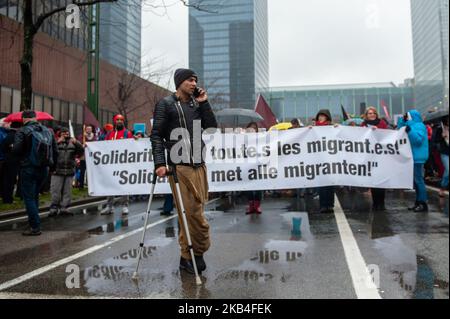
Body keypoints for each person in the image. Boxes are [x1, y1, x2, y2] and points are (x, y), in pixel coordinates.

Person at [151, 68, 217, 275]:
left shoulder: (196, 104)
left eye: (195, 80)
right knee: (191, 214)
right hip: (179, 167)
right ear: (179, 82)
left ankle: (186, 258)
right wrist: (160, 163)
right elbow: (156, 136)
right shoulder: (166, 104)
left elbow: (212, 128)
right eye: (189, 80)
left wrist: (204, 102)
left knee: (193, 212)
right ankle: (194, 254)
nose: (193, 83)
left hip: (199, 165)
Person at [13, 111, 58, 236]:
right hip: (44, 168)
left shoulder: (22, 131)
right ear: (35, 118)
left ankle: (35, 226)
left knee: (29, 197)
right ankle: (34, 221)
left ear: (23, 119)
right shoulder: (48, 131)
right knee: (35, 196)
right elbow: (55, 150)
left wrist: (13, 149)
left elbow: (16, 150)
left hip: (28, 167)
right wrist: (53, 168)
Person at [100, 114, 133, 216]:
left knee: (124, 185)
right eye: (117, 120)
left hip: (123, 164)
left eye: (121, 120)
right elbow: (104, 146)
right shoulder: (110, 134)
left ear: (123, 121)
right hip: (112, 164)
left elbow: (133, 147)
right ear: (114, 121)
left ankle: (125, 206)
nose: (119, 121)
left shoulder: (128, 133)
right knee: (110, 185)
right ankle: (110, 206)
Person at [397, 110, 429, 212]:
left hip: (417, 157)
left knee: (418, 180)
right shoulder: (411, 124)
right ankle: (418, 202)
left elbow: (418, 141)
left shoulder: (419, 125)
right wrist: (403, 120)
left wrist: (410, 130)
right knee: (416, 181)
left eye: (407, 116)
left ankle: (423, 203)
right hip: (412, 156)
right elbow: (399, 129)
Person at [49, 127, 84, 217]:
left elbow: (81, 152)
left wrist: (77, 143)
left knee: (67, 191)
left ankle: (64, 208)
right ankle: (54, 208)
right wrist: (57, 142)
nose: (66, 135)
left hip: (69, 170)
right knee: (55, 191)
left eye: (67, 133)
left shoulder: (73, 143)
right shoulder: (55, 141)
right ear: (60, 134)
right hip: (57, 170)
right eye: (64, 133)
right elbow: (50, 151)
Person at [361, 107, 389, 211]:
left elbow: (387, 136)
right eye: (369, 113)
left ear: (376, 114)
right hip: (369, 156)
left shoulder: (381, 123)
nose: (372, 115)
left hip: (380, 155)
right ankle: (375, 203)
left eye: (373, 113)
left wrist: (378, 132)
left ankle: (381, 203)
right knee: (373, 180)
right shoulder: (363, 125)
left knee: (381, 180)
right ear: (366, 115)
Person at [309, 109, 335, 213]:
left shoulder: (332, 127)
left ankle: (330, 204)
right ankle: (323, 205)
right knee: (322, 183)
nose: (320, 118)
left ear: (327, 117)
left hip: (330, 158)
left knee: (330, 183)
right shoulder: (314, 128)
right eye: (319, 116)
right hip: (319, 159)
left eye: (323, 116)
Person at [245, 122, 263, 215]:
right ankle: (251, 206)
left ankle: (257, 206)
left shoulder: (261, 138)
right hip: (247, 165)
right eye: (251, 128)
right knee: (249, 186)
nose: (253, 130)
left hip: (258, 165)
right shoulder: (243, 139)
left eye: (254, 128)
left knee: (258, 186)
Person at [1, 122, 21, 204]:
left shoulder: (8, 135)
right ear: (18, 128)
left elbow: (3, 147)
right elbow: (16, 149)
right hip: (13, 161)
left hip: (6, 160)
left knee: (6, 180)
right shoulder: (14, 136)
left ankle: (6, 197)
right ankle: (8, 199)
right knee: (10, 181)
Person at [77, 124, 98, 189]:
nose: (89, 130)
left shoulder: (94, 137)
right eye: (87, 129)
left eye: (90, 129)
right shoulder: (82, 136)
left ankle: (90, 185)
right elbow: (79, 144)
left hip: (91, 156)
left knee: (91, 172)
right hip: (83, 156)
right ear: (85, 130)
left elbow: (96, 144)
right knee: (82, 171)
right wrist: (82, 144)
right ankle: (81, 185)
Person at [434, 118, 449, 197]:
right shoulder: (441, 128)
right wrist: (442, 136)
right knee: (448, 170)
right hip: (445, 153)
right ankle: (443, 187)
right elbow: (436, 140)